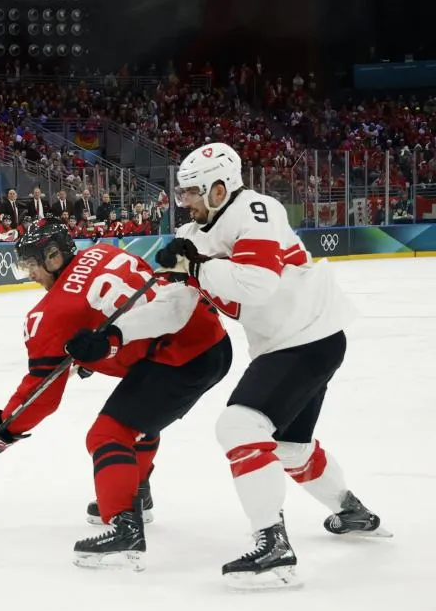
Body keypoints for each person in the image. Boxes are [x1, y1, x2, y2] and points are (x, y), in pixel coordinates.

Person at [142, 141, 388, 588]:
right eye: (183, 194)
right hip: (297, 342)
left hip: (306, 337)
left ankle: (272, 544)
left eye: (193, 192)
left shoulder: (257, 209)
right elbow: (175, 307)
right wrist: (114, 338)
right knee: (291, 448)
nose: (186, 202)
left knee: (239, 427)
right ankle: (352, 510)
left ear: (221, 188)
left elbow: (256, 284)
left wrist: (194, 269)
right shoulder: (195, 236)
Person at [0, 219, 231, 571]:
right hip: (211, 340)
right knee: (140, 418)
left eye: (30, 264)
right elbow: (133, 299)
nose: (29, 274)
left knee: (107, 434)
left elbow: (41, 394)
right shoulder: (100, 251)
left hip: (178, 358)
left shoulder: (50, 313)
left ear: (54, 257)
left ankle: (124, 527)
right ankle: (137, 493)